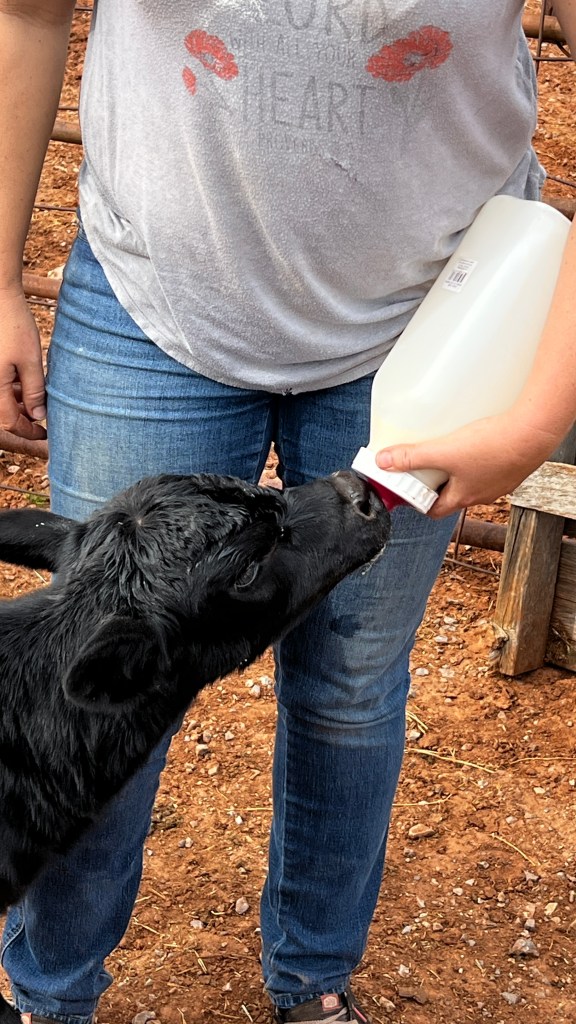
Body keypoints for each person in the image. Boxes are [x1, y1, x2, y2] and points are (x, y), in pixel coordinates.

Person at [0, 2, 575, 1022]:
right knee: (93, 677)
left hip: (435, 322)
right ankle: (50, 996)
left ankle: (312, 980)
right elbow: (30, 11)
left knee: (352, 680)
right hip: (153, 302)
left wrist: (532, 419)